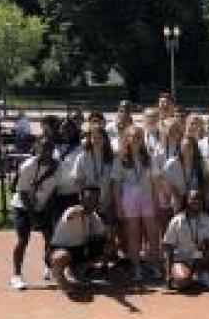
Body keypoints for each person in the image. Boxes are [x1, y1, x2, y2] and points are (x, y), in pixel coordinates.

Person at [111, 125, 160, 282]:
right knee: (134, 236)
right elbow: (116, 185)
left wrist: (156, 201)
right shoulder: (119, 158)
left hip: (147, 197)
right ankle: (136, 267)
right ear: (126, 138)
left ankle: (152, 265)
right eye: (131, 136)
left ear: (142, 139)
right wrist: (118, 206)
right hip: (129, 199)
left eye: (138, 136)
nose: (135, 139)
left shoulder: (149, 157)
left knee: (152, 235)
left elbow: (154, 181)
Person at [10, 139, 60, 290]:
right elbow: (23, 193)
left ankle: (49, 266)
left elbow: (55, 190)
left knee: (51, 238)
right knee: (23, 240)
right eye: (43, 149)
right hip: (23, 206)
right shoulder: (28, 166)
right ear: (37, 149)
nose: (47, 152)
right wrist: (32, 216)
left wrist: (46, 210)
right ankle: (16, 275)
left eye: (50, 148)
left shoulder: (58, 166)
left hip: (44, 205)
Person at [49, 186, 110, 292]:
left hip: (79, 249)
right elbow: (70, 215)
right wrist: (84, 209)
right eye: (89, 198)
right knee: (62, 256)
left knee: (107, 245)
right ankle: (58, 275)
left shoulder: (94, 216)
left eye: (95, 199)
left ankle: (77, 270)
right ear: (80, 198)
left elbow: (103, 234)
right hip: (59, 249)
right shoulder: (72, 210)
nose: (92, 202)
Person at [162, 189, 209, 290]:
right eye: (193, 199)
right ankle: (187, 276)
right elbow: (168, 247)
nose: (196, 201)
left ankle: (202, 273)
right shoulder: (176, 221)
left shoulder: (206, 219)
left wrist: (205, 246)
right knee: (182, 282)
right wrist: (168, 274)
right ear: (186, 201)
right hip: (181, 259)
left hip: (200, 258)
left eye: (199, 199)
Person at [73, 126, 116, 224]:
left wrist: (110, 201)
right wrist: (83, 199)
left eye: (100, 138)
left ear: (105, 139)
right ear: (90, 139)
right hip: (89, 202)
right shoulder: (82, 157)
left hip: (107, 202)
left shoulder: (112, 157)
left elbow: (114, 182)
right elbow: (78, 180)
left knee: (108, 233)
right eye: (94, 138)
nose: (97, 140)